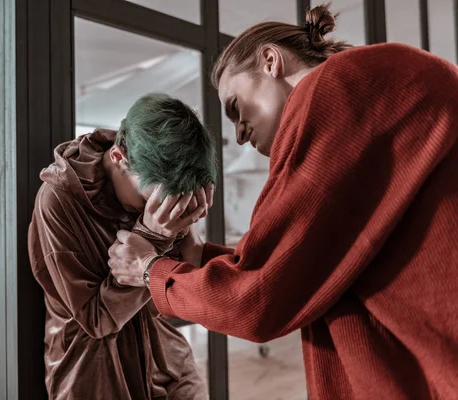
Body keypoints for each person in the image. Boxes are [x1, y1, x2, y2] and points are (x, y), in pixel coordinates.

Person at [107, 4, 458, 399]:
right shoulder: (396, 78)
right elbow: (310, 265)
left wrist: (149, 269)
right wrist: (201, 257)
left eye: (235, 107)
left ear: (271, 61)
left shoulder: (333, 93)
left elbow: (259, 301)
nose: (238, 135)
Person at [27, 92, 216, 399]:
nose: (154, 210)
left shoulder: (159, 169)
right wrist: (154, 237)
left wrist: (183, 228)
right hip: (94, 375)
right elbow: (96, 319)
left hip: (168, 362)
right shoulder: (58, 200)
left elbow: (186, 271)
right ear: (118, 158)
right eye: (148, 201)